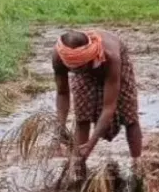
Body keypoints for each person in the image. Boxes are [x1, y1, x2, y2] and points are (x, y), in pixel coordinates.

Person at [53, 29, 143, 178]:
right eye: (72, 69)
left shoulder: (111, 57)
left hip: (110, 67)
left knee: (129, 115)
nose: (77, 73)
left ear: (88, 58)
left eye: (80, 68)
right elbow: (62, 93)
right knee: (82, 116)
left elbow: (109, 107)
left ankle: (137, 165)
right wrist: (60, 125)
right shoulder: (60, 56)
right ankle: (79, 168)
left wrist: (91, 144)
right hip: (84, 62)